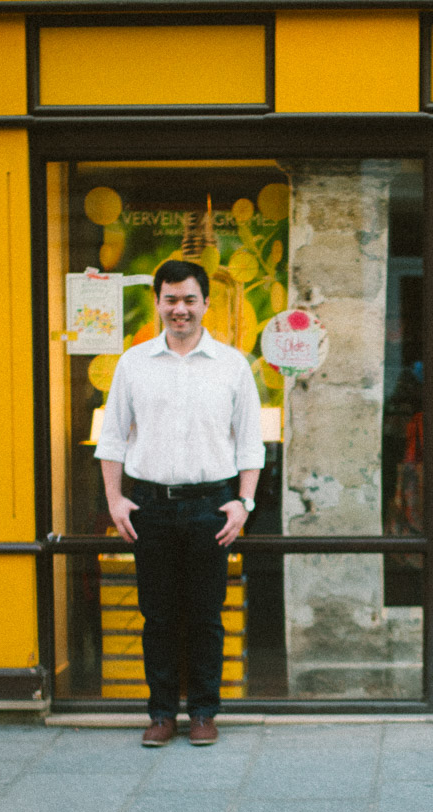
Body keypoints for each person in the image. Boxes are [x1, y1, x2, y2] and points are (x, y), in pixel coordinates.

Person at [96, 259, 265, 748]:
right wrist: (115, 501)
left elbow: (250, 445)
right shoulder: (133, 364)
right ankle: (162, 713)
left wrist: (243, 504)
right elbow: (112, 441)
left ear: (207, 303)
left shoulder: (233, 366)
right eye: (170, 299)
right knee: (159, 614)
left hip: (212, 506)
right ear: (157, 303)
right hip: (150, 505)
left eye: (190, 299)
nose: (180, 309)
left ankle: (205, 713)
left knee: (207, 615)